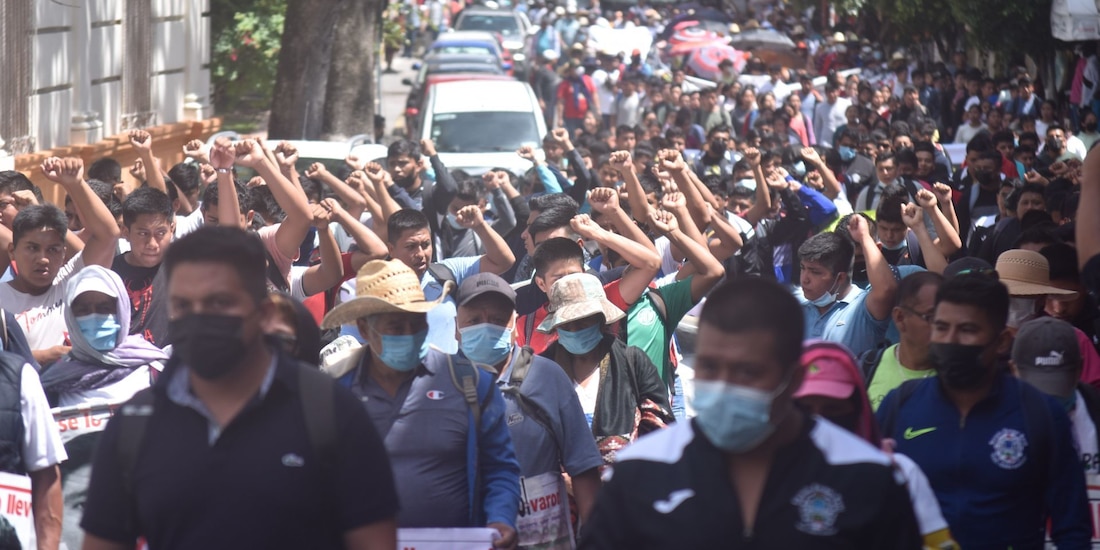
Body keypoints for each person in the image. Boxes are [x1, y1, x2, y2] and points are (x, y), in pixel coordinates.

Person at [80, 226, 399, 549]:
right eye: (184, 305)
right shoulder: (136, 423)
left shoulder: (331, 413)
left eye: (219, 302)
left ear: (264, 312)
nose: (200, 317)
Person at [579, 278, 921, 548]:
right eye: (710, 367)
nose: (724, 385)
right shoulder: (641, 471)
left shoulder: (864, 477)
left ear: (794, 379)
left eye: (747, 372)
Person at [876, 273, 1092, 549]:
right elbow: (866, 504)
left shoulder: (1041, 415)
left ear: (1001, 341)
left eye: (967, 330)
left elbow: (1072, 528)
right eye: (941, 327)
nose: (950, 340)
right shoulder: (900, 405)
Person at [319, 259, 521, 547]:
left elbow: (500, 468)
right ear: (364, 329)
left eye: (417, 323)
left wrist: (501, 517)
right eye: (395, 326)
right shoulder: (336, 393)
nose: (409, 335)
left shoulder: (470, 383)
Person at [455, 273, 602, 549]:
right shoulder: (439, 384)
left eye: (497, 320)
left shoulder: (547, 376)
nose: (486, 327)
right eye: (474, 320)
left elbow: (583, 468)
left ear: (514, 324)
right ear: (456, 327)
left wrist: (597, 539)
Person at [795, 341, 958, 549]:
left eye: (833, 409)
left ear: (857, 409)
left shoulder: (898, 473)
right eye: (806, 409)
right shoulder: (767, 471)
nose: (820, 423)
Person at [536, 272, 672, 464]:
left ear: (601, 320)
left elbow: (660, 426)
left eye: (584, 321)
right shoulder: (542, 371)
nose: (575, 329)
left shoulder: (631, 361)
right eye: (567, 324)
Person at [0, 158, 121, 367]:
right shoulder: (2, 300)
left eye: (53, 249)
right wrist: (44, 356)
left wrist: (75, 183)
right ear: (13, 251)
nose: (43, 258)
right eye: (32, 248)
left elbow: (108, 234)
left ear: (64, 252)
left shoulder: (69, 283)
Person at [795, 216, 898, 357]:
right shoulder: (795, 305)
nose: (804, 279)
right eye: (803, 268)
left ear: (840, 278)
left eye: (815, 272)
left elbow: (887, 289)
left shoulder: (862, 309)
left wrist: (864, 237)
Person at [1012, 317, 1100, 476]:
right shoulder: (991, 422)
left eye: (1058, 386)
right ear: (1014, 371)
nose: (1050, 402)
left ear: (1079, 370)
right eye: (1038, 390)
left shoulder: (1094, 412)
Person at [865, 272, 943, 409]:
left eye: (947, 320)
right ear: (900, 317)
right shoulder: (866, 367)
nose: (943, 329)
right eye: (931, 318)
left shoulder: (960, 377)